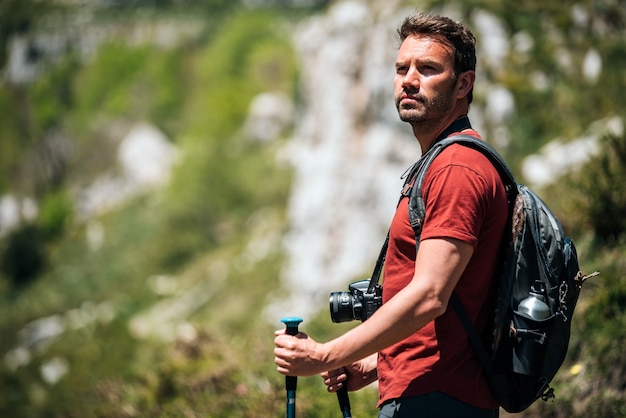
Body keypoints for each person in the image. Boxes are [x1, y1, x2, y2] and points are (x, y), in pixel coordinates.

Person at [274, 12, 507, 418]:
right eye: (402, 68)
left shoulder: (456, 169)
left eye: (429, 69)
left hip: (438, 401)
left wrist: (325, 354)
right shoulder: (440, 164)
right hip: (430, 393)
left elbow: (430, 296)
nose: (409, 80)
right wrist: (375, 364)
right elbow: (450, 312)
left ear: (463, 84)